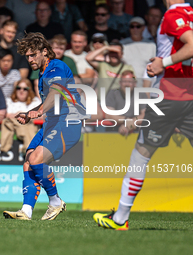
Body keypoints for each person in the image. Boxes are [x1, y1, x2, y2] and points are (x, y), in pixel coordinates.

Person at [93, 0, 193, 230]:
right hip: (190, 95)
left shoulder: (173, 15)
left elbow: (191, 46)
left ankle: (119, 218)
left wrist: (163, 63)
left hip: (170, 97)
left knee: (141, 153)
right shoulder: (190, 13)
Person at [3, 32, 86, 220]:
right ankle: (26, 211)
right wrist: (30, 113)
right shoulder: (42, 73)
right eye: (27, 56)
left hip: (67, 123)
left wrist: (39, 112)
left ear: (45, 52)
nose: (30, 59)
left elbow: (56, 92)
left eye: (33, 55)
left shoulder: (56, 67)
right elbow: (48, 101)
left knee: (36, 159)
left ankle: (56, 202)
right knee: (28, 160)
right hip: (53, 122)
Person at [0, 78, 41, 155]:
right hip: (14, 125)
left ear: (29, 90)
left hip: (31, 127)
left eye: (25, 89)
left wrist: (26, 116)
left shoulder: (35, 101)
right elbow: (7, 115)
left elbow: (43, 116)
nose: (21, 91)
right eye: (19, 88)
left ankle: (28, 149)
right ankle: (5, 148)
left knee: (27, 123)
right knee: (7, 121)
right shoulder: (9, 100)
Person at [105, 70, 147, 135]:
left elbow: (145, 114)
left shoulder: (141, 94)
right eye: (124, 81)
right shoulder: (112, 93)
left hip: (135, 128)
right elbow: (109, 115)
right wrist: (126, 120)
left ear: (134, 83)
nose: (127, 84)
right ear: (120, 83)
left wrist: (132, 122)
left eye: (130, 82)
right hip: (113, 130)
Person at [120, 17, 156, 87]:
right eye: (132, 27)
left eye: (138, 26)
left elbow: (153, 66)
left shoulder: (151, 45)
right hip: (126, 84)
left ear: (143, 28)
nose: (135, 29)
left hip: (145, 84)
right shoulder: (122, 44)